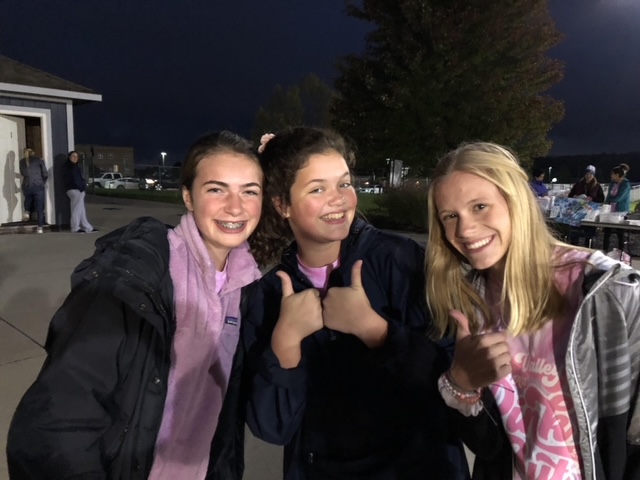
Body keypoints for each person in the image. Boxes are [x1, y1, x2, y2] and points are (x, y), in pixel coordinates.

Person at [7, 131, 263, 479]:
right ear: (188, 197)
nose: (236, 207)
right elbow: (52, 429)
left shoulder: (246, 286)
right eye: (217, 189)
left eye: (250, 191)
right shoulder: (131, 282)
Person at [244, 127, 468, 480]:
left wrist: (377, 331)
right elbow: (273, 428)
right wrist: (285, 344)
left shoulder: (398, 261)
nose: (340, 199)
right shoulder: (270, 294)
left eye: (344, 184)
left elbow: (456, 384)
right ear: (282, 204)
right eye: (318, 188)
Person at [425, 141, 640, 479]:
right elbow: (490, 448)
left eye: (480, 206)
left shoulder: (607, 292)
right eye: (450, 216)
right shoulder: (469, 300)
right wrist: (461, 384)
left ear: (517, 202)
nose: (464, 230)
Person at [567, 165, 604, 247]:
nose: (588, 176)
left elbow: (601, 199)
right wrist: (575, 197)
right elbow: (570, 196)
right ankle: (574, 249)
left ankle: (588, 249)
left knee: (589, 234)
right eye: (587, 174)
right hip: (577, 212)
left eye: (590, 174)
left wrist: (592, 199)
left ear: (593, 175)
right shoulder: (578, 184)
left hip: (590, 213)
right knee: (574, 234)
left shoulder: (597, 186)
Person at [63, 150, 96, 233]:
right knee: (76, 209)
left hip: (76, 189)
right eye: (73, 156)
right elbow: (75, 179)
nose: (75, 158)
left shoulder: (72, 166)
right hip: (75, 189)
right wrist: (82, 187)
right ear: (69, 157)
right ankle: (75, 227)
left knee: (81, 209)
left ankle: (87, 227)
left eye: (76, 157)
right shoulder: (71, 167)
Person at [603, 163, 632, 253]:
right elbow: (609, 196)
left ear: (617, 175)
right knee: (607, 232)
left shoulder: (626, 185)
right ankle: (605, 250)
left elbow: (619, 198)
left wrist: (610, 200)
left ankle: (621, 252)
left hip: (621, 211)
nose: (611, 175)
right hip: (610, 211)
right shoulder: (612, 183)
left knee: (620, 233)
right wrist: (606, 203)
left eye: (612, 174)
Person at [19, 147, 48, 233]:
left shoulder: (22, 161)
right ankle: (40, 227)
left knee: (28, 199)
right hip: (38, 185)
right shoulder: (39, 160)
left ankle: (27, 211)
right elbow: (45, 173)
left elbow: (22, 173)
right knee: (39, 207)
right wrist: (42, 182)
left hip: (27, 185)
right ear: (33, 153)